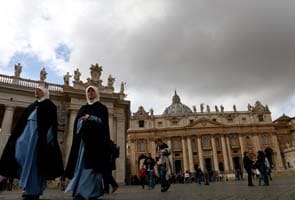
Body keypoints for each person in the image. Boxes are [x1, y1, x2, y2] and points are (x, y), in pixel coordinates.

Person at [0, 86, 64, 200]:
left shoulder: (50, 105)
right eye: (36, 90)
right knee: (19, 154)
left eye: (39, 90)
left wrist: (46, 140)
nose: (36, 92)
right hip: (26, 135)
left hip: (38, 139)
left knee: (34, 164)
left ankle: (32, 190)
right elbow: (22, 123)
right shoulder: (32, 105)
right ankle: (27, 185)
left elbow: (51, 125)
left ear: (45, 93)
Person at [65, 85, 111, 200]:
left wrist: (91, 118)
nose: (90, 92)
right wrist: (82, 120)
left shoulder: (102, 108)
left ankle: (88, 192)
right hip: (83, 144)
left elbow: (103, 124)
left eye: (92, 91)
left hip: (96, 144)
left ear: (96, 93)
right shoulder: (82, 108)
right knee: (81, 167)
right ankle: (82, 191)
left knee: (92, 169)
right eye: (88, 91)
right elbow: (77, 125)